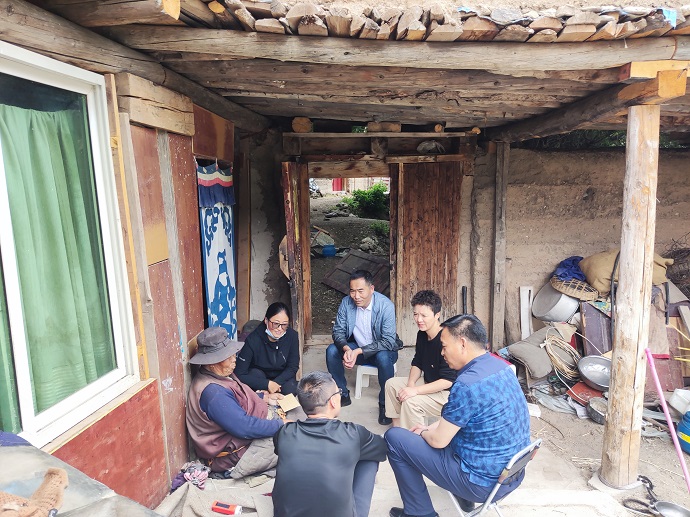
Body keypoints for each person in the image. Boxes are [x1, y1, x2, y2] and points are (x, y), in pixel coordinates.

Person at [385, 315, 530, 517]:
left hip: (481, 483)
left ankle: (420, 512)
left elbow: (438, 441)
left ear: (462, 343)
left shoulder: (467, 383)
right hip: (511, 474)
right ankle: (463, 499)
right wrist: (429, 429)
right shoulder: (502, 367)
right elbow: (460, 419)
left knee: (395, 438)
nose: (442, 352)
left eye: (444, 346)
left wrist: (423, 432)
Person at [186, 327, 298, 478]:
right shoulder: (213, 393)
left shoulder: (217, 374)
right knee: (294, 442)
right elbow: (245, 427)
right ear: (212, 362)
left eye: (233, 354)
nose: (234, 359)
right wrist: (280, 425)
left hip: (248, 430)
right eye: (228, 357)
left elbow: (236, 399)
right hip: (235, 453)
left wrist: (263, 398)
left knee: (297, 413)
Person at [272, 371, 388, 517]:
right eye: (339, 391)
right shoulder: (353, 433)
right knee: (370, 458)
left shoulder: (284, 433)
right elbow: (382, 449)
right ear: (333, 401)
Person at [326, 269, 402, 425]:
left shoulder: (385, 305)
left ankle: (385, 403)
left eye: (360, 291)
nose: (356, 296)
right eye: (352, 291)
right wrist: (347, 349)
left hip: (383, 351)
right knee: (332, 351)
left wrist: (358, 351)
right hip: (357, 348)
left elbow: (388, 341)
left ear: (371, 289)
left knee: (383, 357)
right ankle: (342, 393)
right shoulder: (346, 303)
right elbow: (338, 331)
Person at [384, 290, 458, 429]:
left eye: (424, 315)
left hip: (447, 394)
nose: (419, 320)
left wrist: (415, 391)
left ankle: (416, 438)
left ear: (437, 315)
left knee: (410, 401)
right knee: (391, 385)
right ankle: (398, 430)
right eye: (415, 314)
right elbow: (417, 362)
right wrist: (411, 384)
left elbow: (448, 381)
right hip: (429, 382)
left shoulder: (446, 339)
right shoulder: (422, 334)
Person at [235, 302, 300, 395]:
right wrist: (266, 384)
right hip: (260, 377)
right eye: (275, 324)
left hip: (281, 377)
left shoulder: (292, 336)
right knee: (254, 375)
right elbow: (239, 373)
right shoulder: (253, 339)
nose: (280, 328)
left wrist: (274, 385)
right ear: (266, 320)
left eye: (284, 324)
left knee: (291, 388)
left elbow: (293, 367)